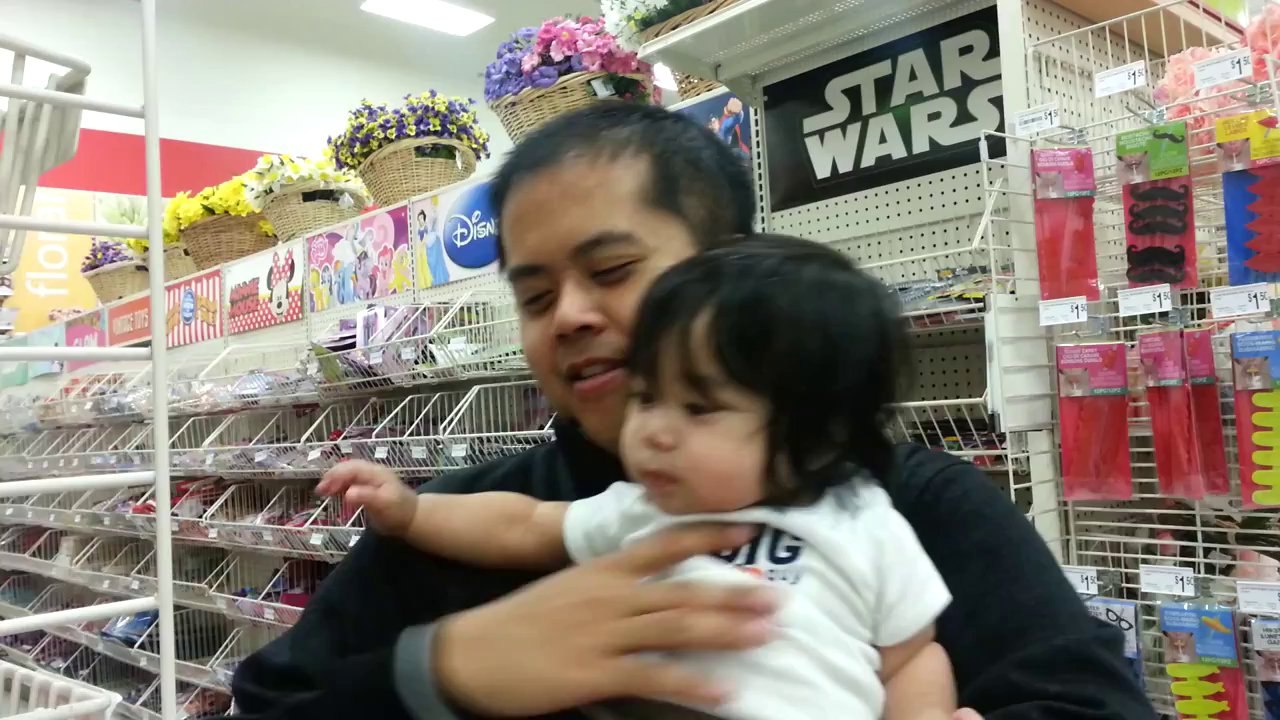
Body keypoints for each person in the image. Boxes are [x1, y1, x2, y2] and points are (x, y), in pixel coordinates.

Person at [230, 103, 1153, 719]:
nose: (571, 315)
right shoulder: (457, 523)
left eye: (613, 269)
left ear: (729, 266)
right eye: (536, 295)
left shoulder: (907, 503)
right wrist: (443, 669)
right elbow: (274, 702)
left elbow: (1083, 701)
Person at [316, 235, 956, 720]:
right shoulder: (644, 510)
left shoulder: (863, 522)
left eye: (699, 408)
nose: (652, 430)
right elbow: (524, 523)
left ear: (816, 432)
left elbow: (912, 656)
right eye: (647, 397)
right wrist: (414, 511)